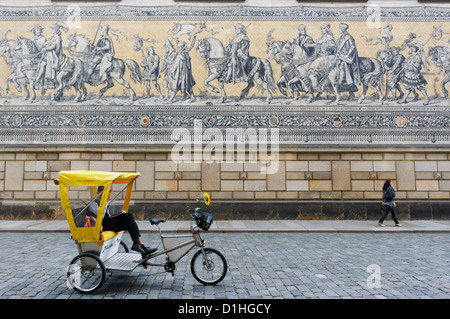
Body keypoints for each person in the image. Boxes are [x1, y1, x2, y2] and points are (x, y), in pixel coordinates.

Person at [89, 186, 156, 256]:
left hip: (108, 222)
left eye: (109, 194)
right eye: (106, 194)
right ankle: (140, 246)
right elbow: (100, 216)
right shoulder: (94, 204)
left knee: (129, 217)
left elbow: (108, 215)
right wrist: (102, 201)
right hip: (102, 226)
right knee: (128, 219)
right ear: (99, 193)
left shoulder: (105, 202)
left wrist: (117, 214)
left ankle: (140, 245)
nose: (108, 196)